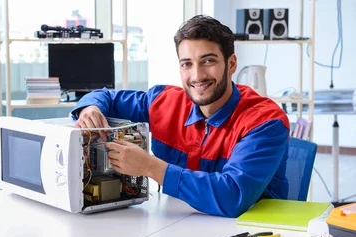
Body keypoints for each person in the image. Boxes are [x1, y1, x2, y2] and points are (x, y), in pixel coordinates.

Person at [71, 15, 290, 218]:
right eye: (187, 64)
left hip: (252, 235)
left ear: (231, 64)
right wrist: (89, 108)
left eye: (208, 61)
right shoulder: (163, 102)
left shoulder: (264, 122)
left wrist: (150, 167)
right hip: (180, 222)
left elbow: (232, 196)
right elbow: (104, 96)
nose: (197, 75)